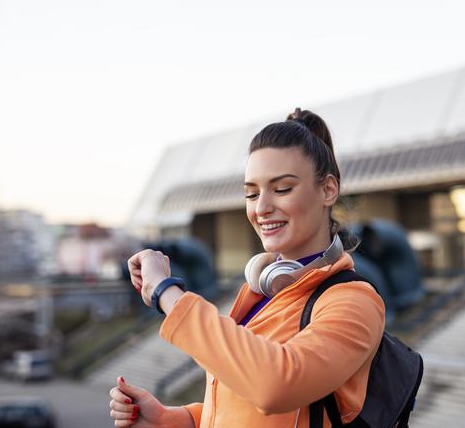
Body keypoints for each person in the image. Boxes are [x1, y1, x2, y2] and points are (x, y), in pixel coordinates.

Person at [109, 109, 385, 427]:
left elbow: (274, 387)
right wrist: (174, 419)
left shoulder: (353, 300)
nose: (262, 207)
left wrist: (165, 292)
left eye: (282, 189)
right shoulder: (260, 293)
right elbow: (247, 408)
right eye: (251, 193)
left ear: (328, 190)